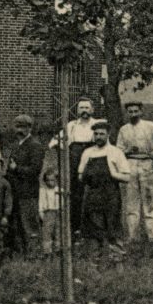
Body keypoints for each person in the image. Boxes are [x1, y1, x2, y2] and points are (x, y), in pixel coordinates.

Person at [116, 100, 153, 245]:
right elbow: (118, 150)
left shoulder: (150, 126)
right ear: (127, 113)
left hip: (147, 164)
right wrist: (126, 151)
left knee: (149, 201)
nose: (133, 114)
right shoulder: (124, 129)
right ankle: (132, 236)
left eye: (136, 111)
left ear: (141, 111)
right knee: (131, 203)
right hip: (130, 165)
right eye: (130, 111)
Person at [76, 119, 130, 257]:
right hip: (93, 194)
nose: (99, 137)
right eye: (96, 134)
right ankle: (95, 258)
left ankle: (117, 257)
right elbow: (80, 175)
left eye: (102, 134)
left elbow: (127, 177)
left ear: (108, 135)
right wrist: (85, 177)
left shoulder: (116, 152)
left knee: (113, 225)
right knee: (94, 227)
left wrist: (113, 173)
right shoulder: (87, 152)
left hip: (111, 194)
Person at [48, 97, 98, 237]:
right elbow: (54, 142)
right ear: (77, 110)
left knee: (92, 193)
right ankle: (74, 227)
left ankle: (91, 228)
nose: (84, 111)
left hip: (93, 159)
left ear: (92, 110)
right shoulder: (71, 125)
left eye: (87, 108)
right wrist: (61, 149)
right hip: (74, 160)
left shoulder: (97, 124)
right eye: (81, 108)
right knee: (76, 194)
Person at [4, 114, 44, 255]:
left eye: (23, 127)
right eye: (17, 127)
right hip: (15, 191)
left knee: (29, 224)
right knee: (16, 224)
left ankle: (34, 254)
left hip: (28, 192)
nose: (20, 130)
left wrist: (17, 169)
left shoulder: (35, 146)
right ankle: (20, 254)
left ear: (30, 128)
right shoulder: (15, 145)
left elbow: (35, 170)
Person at [39, 167, 63, 255]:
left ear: (56, 180)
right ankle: (47, 251)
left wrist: (61, 210)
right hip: (48, 213)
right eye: (48, 180)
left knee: (58, 231)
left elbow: (62, 202)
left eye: (52, 180)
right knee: (47, 232)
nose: (50, 183)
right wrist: (41, 212)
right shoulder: (43, 191)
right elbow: (41, 202)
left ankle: (58, 249)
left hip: (57, 212)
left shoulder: (59, 190)